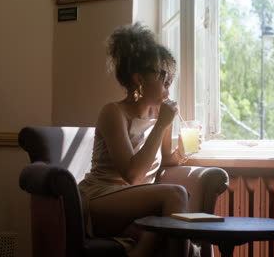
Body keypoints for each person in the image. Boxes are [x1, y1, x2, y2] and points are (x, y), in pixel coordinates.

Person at [78, 23, 199, 257]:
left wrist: (182, 152)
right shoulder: (113, 112)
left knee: (158, 233)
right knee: (175, 194)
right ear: (138, 79)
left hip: (136, 205)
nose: (168, 82)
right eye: (161, 75)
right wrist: (162, 124)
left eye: (170, 76)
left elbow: (165, 160)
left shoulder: (161, 113)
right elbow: (132, 175)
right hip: (101, 200)